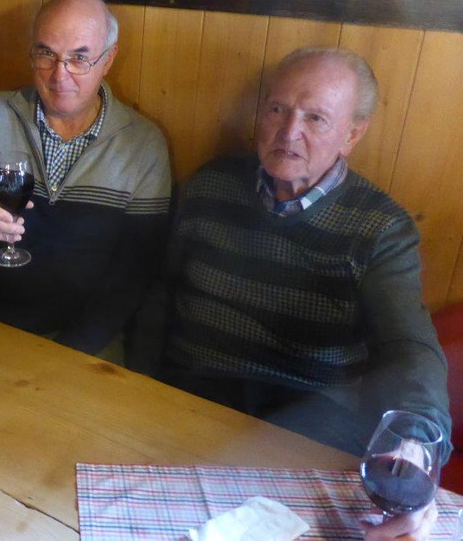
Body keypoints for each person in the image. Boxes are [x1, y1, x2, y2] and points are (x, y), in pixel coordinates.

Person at [151, 47, 450, 541]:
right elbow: (160, 290)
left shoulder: (379, 228)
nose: (289, 132)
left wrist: (415, 442)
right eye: (277, 109)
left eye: (315, 118)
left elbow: (409, 346)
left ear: (352, 134)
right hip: (188, 400)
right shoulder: (210, 186)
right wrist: (141, 381)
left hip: (308, 425)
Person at [0, 0, 171, 357]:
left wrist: (65, 354)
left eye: (80, 58)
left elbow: (136, 272)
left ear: (108, 59)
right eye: (47, 54)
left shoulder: (142, 144)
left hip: (84, 342)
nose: (60, 75)